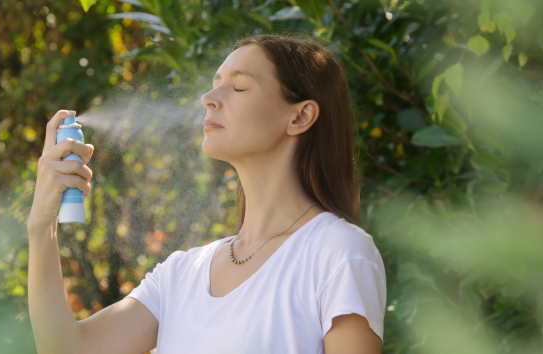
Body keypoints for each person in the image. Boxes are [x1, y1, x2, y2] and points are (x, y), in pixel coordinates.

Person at [27, 33, 386, 354]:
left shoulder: (338, 254)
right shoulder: (183, 274)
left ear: (300, 117)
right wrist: (42, 227)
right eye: (215, 84)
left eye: (239, 87)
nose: (209, 98)